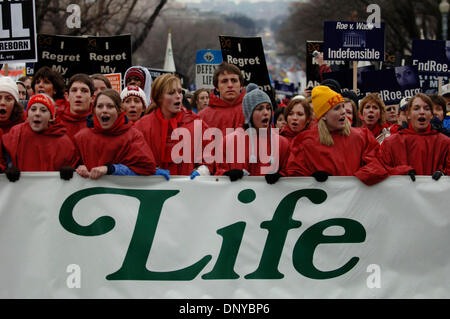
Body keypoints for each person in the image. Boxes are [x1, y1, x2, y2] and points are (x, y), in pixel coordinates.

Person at [286, 85, 389, 186]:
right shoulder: (305, 142)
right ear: (324, 116)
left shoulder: (362, 137)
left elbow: (379, 165)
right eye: (337, 108)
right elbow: (294, 175)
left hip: (355, 201)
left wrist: (352, 181)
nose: (343, 112)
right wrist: (312, 179)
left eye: (343, 106)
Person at [73, 89, 165, 180]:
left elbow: (147, 169)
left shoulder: (133, 136)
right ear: (94, 110)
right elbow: (66, 168)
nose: (104, 110)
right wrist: (78, 169)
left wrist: (111, 169)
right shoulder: (81, 137)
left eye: (110, 106)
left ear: (120, 110)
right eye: (100, 106)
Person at [134, 73, 210, 177]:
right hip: (154, 189)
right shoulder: (142, 126)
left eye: (179, 92)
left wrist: (203, 170)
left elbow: (212, 153)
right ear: (159, 97)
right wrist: (149, 170)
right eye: (171, 93)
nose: (178, 96)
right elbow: (132, 158)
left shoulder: (195, 123)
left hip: (189, 189)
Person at [215, 83, 290, 184]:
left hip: (269, 198)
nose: (266, 112)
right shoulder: (230, 141)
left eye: (268, 108)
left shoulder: (282, 143)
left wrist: (282, 176)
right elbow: (219, 172)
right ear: (249, 114)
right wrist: (226, 174)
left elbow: (290, 173)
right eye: (260, 109)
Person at [1, 94, 79, 182]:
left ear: (51, 117)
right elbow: (4, 159)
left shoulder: (64, 142)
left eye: (43, 110)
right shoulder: (16, 133)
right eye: (33, 109)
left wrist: (70, 172)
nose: (37, 113)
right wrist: (8, 169)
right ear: (27, 113)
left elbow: (74, 167)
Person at [380, 93, 449, 180]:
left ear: (431, 115)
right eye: (416, 108)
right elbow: (380, 169)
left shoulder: (445, 143)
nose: (422, 112)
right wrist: (400, 171)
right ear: (408, 114)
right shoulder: (390, 143)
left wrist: (444, 174)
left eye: (426, 108)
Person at [197, 62, 245, 135]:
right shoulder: (202, 117)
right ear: (217, 87)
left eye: (234, 80)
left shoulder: (252, 111)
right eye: (224, 81)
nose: (230, 85)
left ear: (241, 85)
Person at [57, 73, 94, 140]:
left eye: (84, 91)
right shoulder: (56, 120)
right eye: (74, 90)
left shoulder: (99, 121)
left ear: (92, 98)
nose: (78, 95)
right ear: (67, 96)